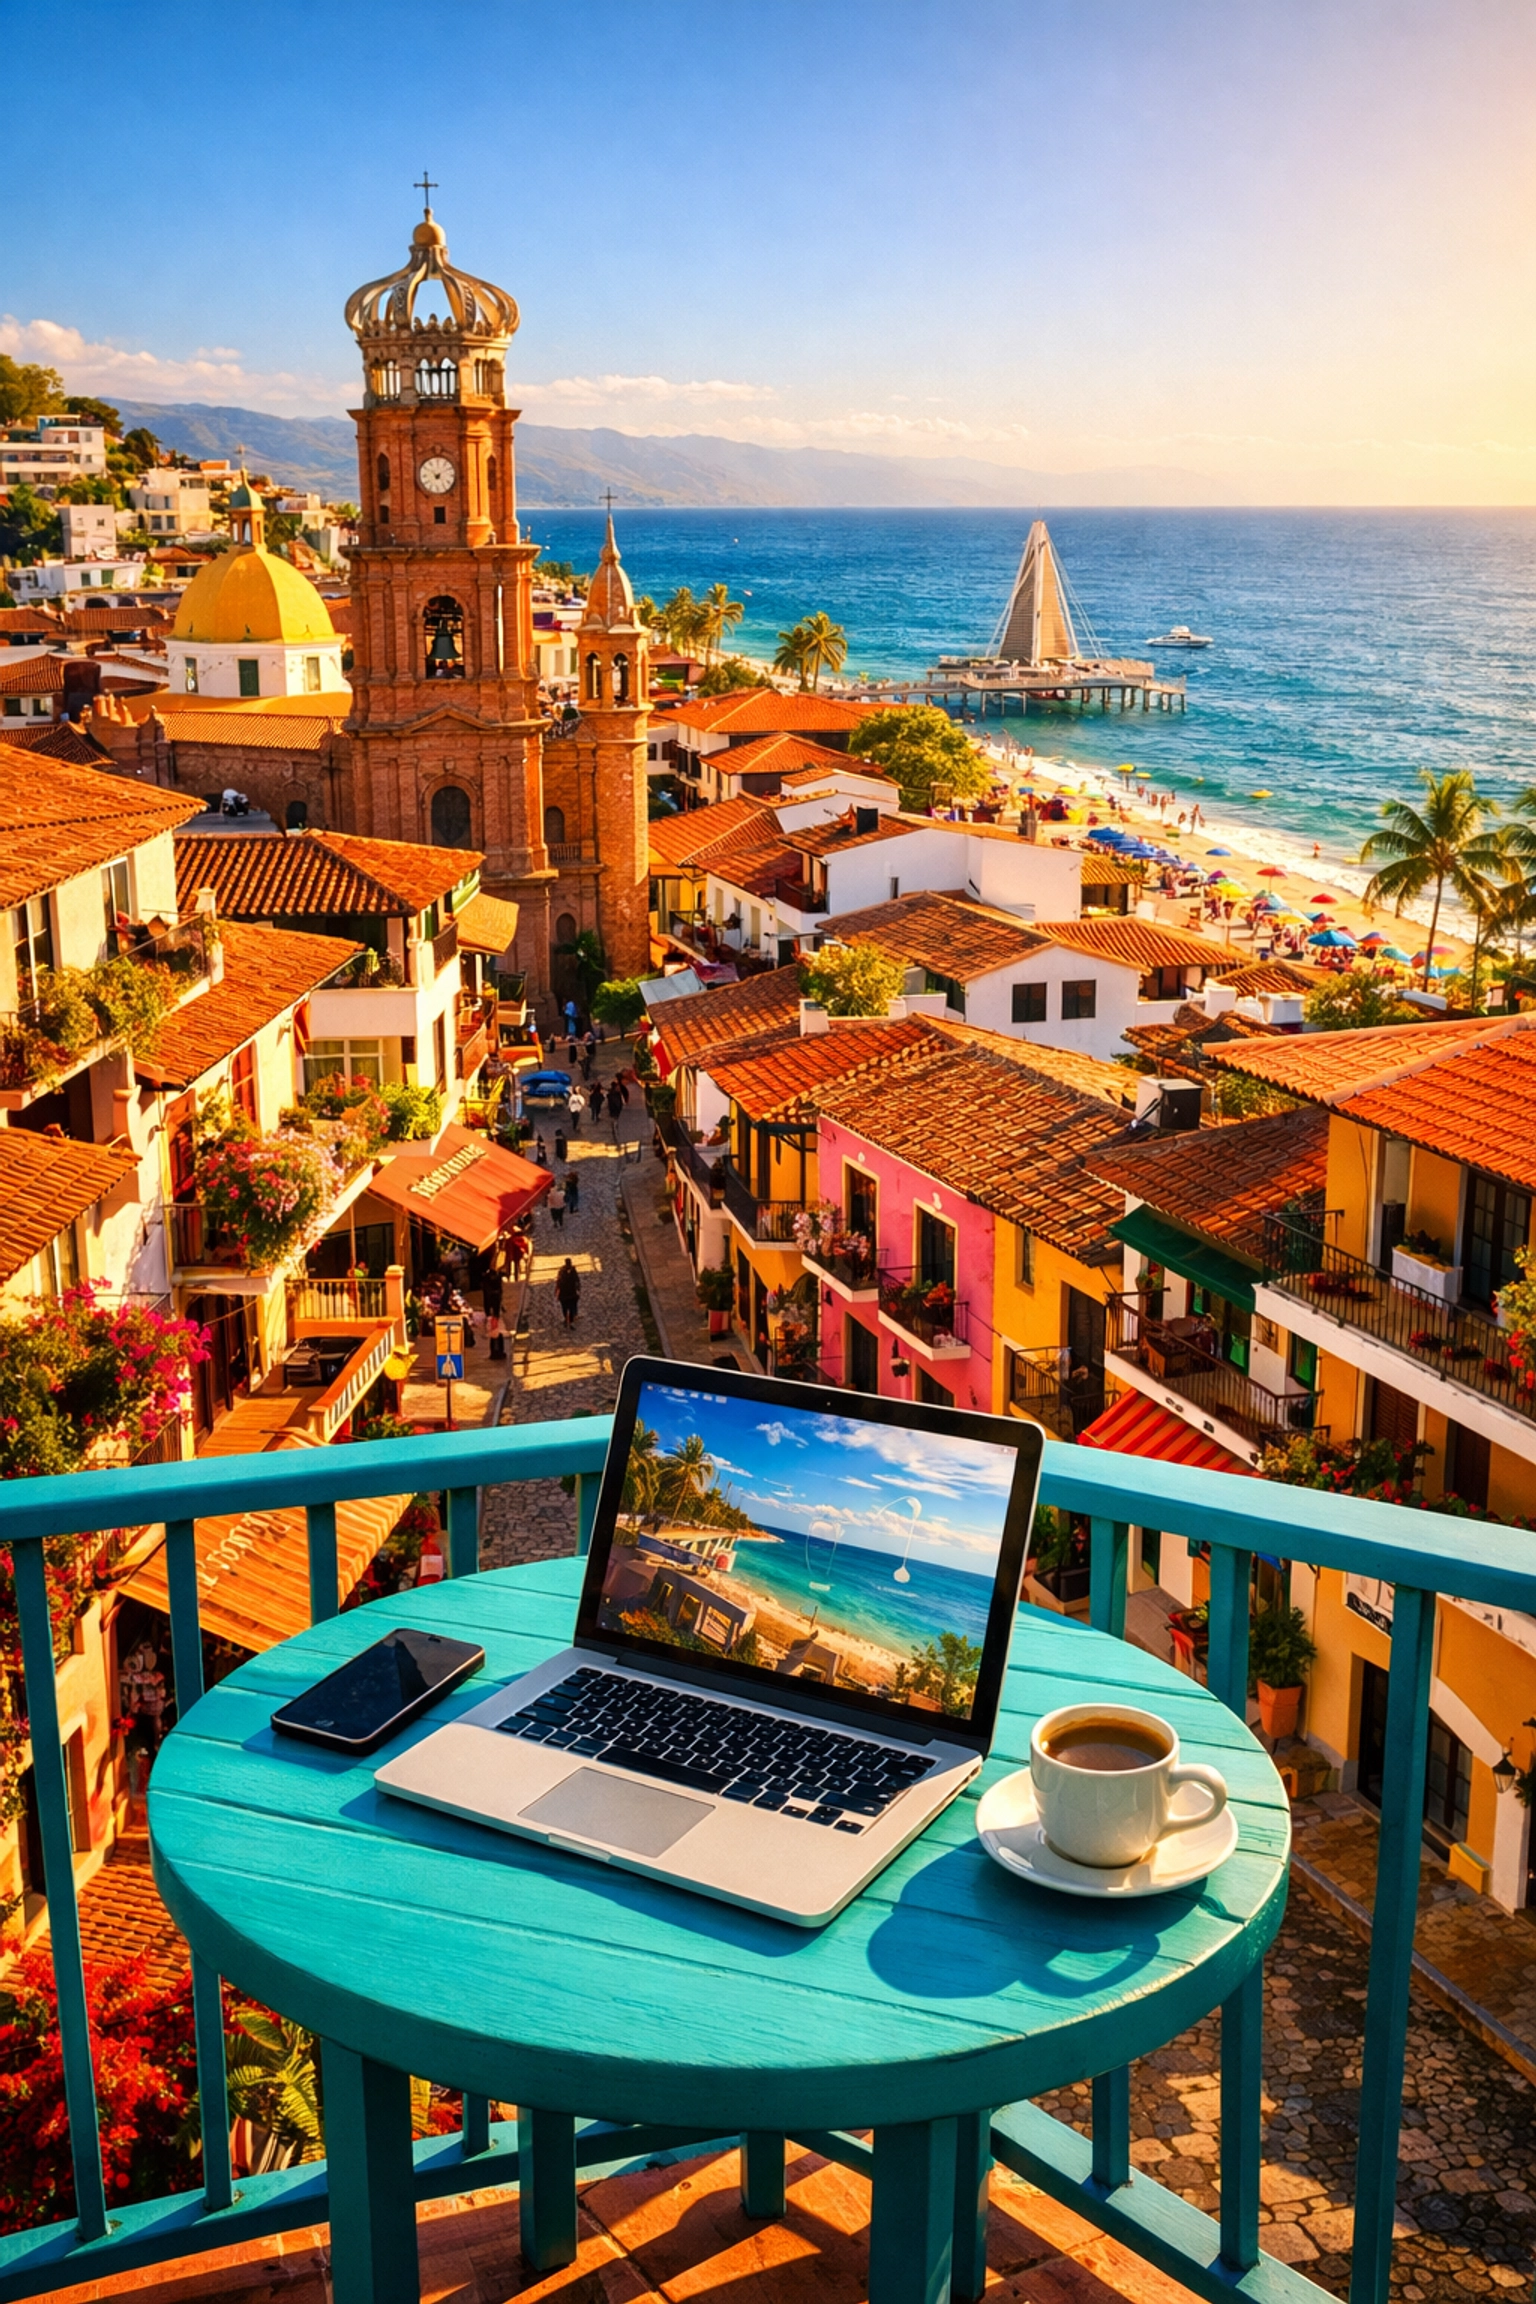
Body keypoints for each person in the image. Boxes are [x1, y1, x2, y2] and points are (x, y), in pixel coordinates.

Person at [482, 1266, 506, 1360]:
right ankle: (498, 1351)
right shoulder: (496, 1277)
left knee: (494, 1331)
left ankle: (495, 1352)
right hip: (495, 1308)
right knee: (496, 1330)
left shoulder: (486, 1278)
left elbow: (486, 1296)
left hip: (492, 1309)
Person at [555, 1257, 581, 1328]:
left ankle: (569, 1320)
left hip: (567, 1294)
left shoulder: (564, 1271)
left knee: (568, 1307)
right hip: (569, 1294)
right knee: (567, 1307)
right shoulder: (567, 1271)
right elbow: (577, 1281)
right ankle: (569, 1319)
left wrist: (557, 1291)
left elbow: (559, 1282)